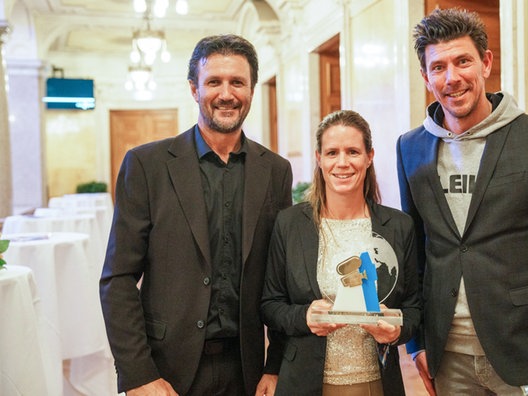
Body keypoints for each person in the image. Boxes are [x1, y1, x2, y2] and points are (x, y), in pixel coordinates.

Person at [396, 8, 528, 396]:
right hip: (448, 356)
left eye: (463, 61)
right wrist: (417, 342)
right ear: (425, 77)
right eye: (438, 67)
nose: (452, 77)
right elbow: (415, 255)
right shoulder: (410, 147)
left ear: (486, 63)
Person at [99, 34, 292, 396]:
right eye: (213, 82)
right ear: (193, 88)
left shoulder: (276, 171)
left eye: (237, 82)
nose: (226, 93)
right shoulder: (146, 165)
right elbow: (118, 279)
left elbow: (282, 279)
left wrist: (276, 364)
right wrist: (138, 374)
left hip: (247, 369)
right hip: (166, 370)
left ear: (251, 90)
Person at [261, 110, 421, 396]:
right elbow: (271, 304)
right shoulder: (289, 224)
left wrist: (397, 330)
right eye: (332, 152)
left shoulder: (399, 226)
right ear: (318, 158)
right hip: (305, 383)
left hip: (378, 384)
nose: (343, 162)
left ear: (369, 156)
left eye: (353, 152)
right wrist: (304, 317)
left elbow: (414, 308)